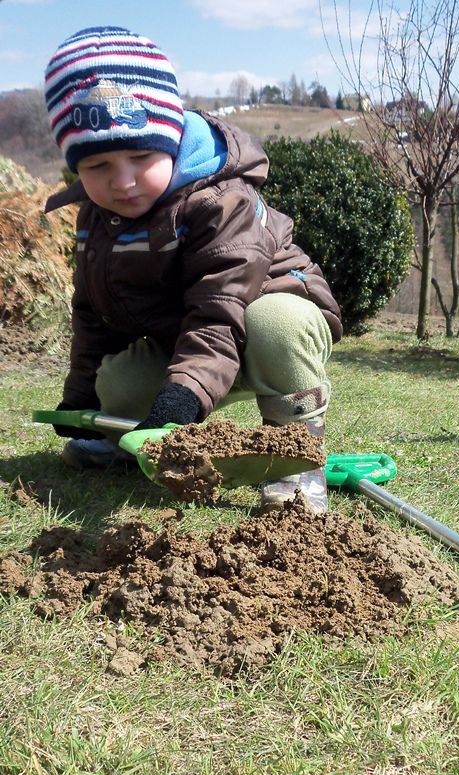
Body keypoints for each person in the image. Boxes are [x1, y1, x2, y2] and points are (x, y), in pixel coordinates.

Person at [43, 26, 342, 513]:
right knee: (116, 385)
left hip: (259, 318)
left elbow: (219, 310)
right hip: (189, 342)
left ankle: (296, 461)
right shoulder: (96, 219)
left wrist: (182, 396)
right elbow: (92, 315)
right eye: (97, 166)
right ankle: (122, 439)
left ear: (172, 139)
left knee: (275, 326)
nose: (123, 182)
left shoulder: (220, 202)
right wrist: (82, 404)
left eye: (141, 156)